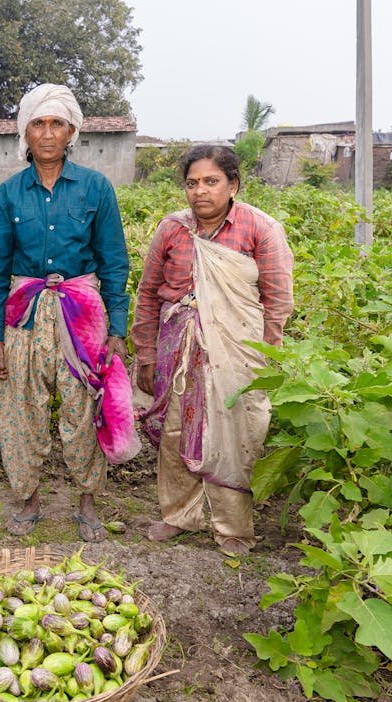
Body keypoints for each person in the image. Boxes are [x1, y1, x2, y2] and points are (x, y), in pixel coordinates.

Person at [0, 84, 139, 544]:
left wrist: (117, 328)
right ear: (25, 132)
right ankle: (27, 497)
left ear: (71, 131)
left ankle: (88, 500)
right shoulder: (9, 195)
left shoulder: (95, 188)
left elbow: (114, 260)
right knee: (19, 407)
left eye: (57, 124)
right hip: (24, 311)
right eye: (38, 123)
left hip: (81, 313)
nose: (47, 133)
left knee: (83, 406)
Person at [132, 145, 293, 554]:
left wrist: (265, 356)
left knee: (232, 431)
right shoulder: (172, 229)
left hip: (236, 348)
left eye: (211, 181)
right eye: (192, 183)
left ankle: (233, 527)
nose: (200, 191)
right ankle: (179, 515)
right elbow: (149, 294)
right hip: (177, 344)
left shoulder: (260, 229)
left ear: (233, 185)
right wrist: (146, 353)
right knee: (176, 429)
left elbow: (276, 300)